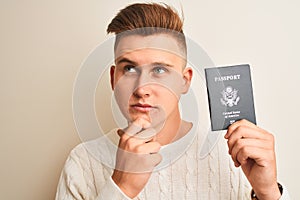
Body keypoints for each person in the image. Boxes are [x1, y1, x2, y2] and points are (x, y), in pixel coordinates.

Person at [56, 3, 289, 200]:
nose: (141, 89)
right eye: (129, 68)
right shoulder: (82, 162)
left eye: (159, 70)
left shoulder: (234, 154)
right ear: (112, 78)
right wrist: (120, 188)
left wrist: (268, 192)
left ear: (184, 81)